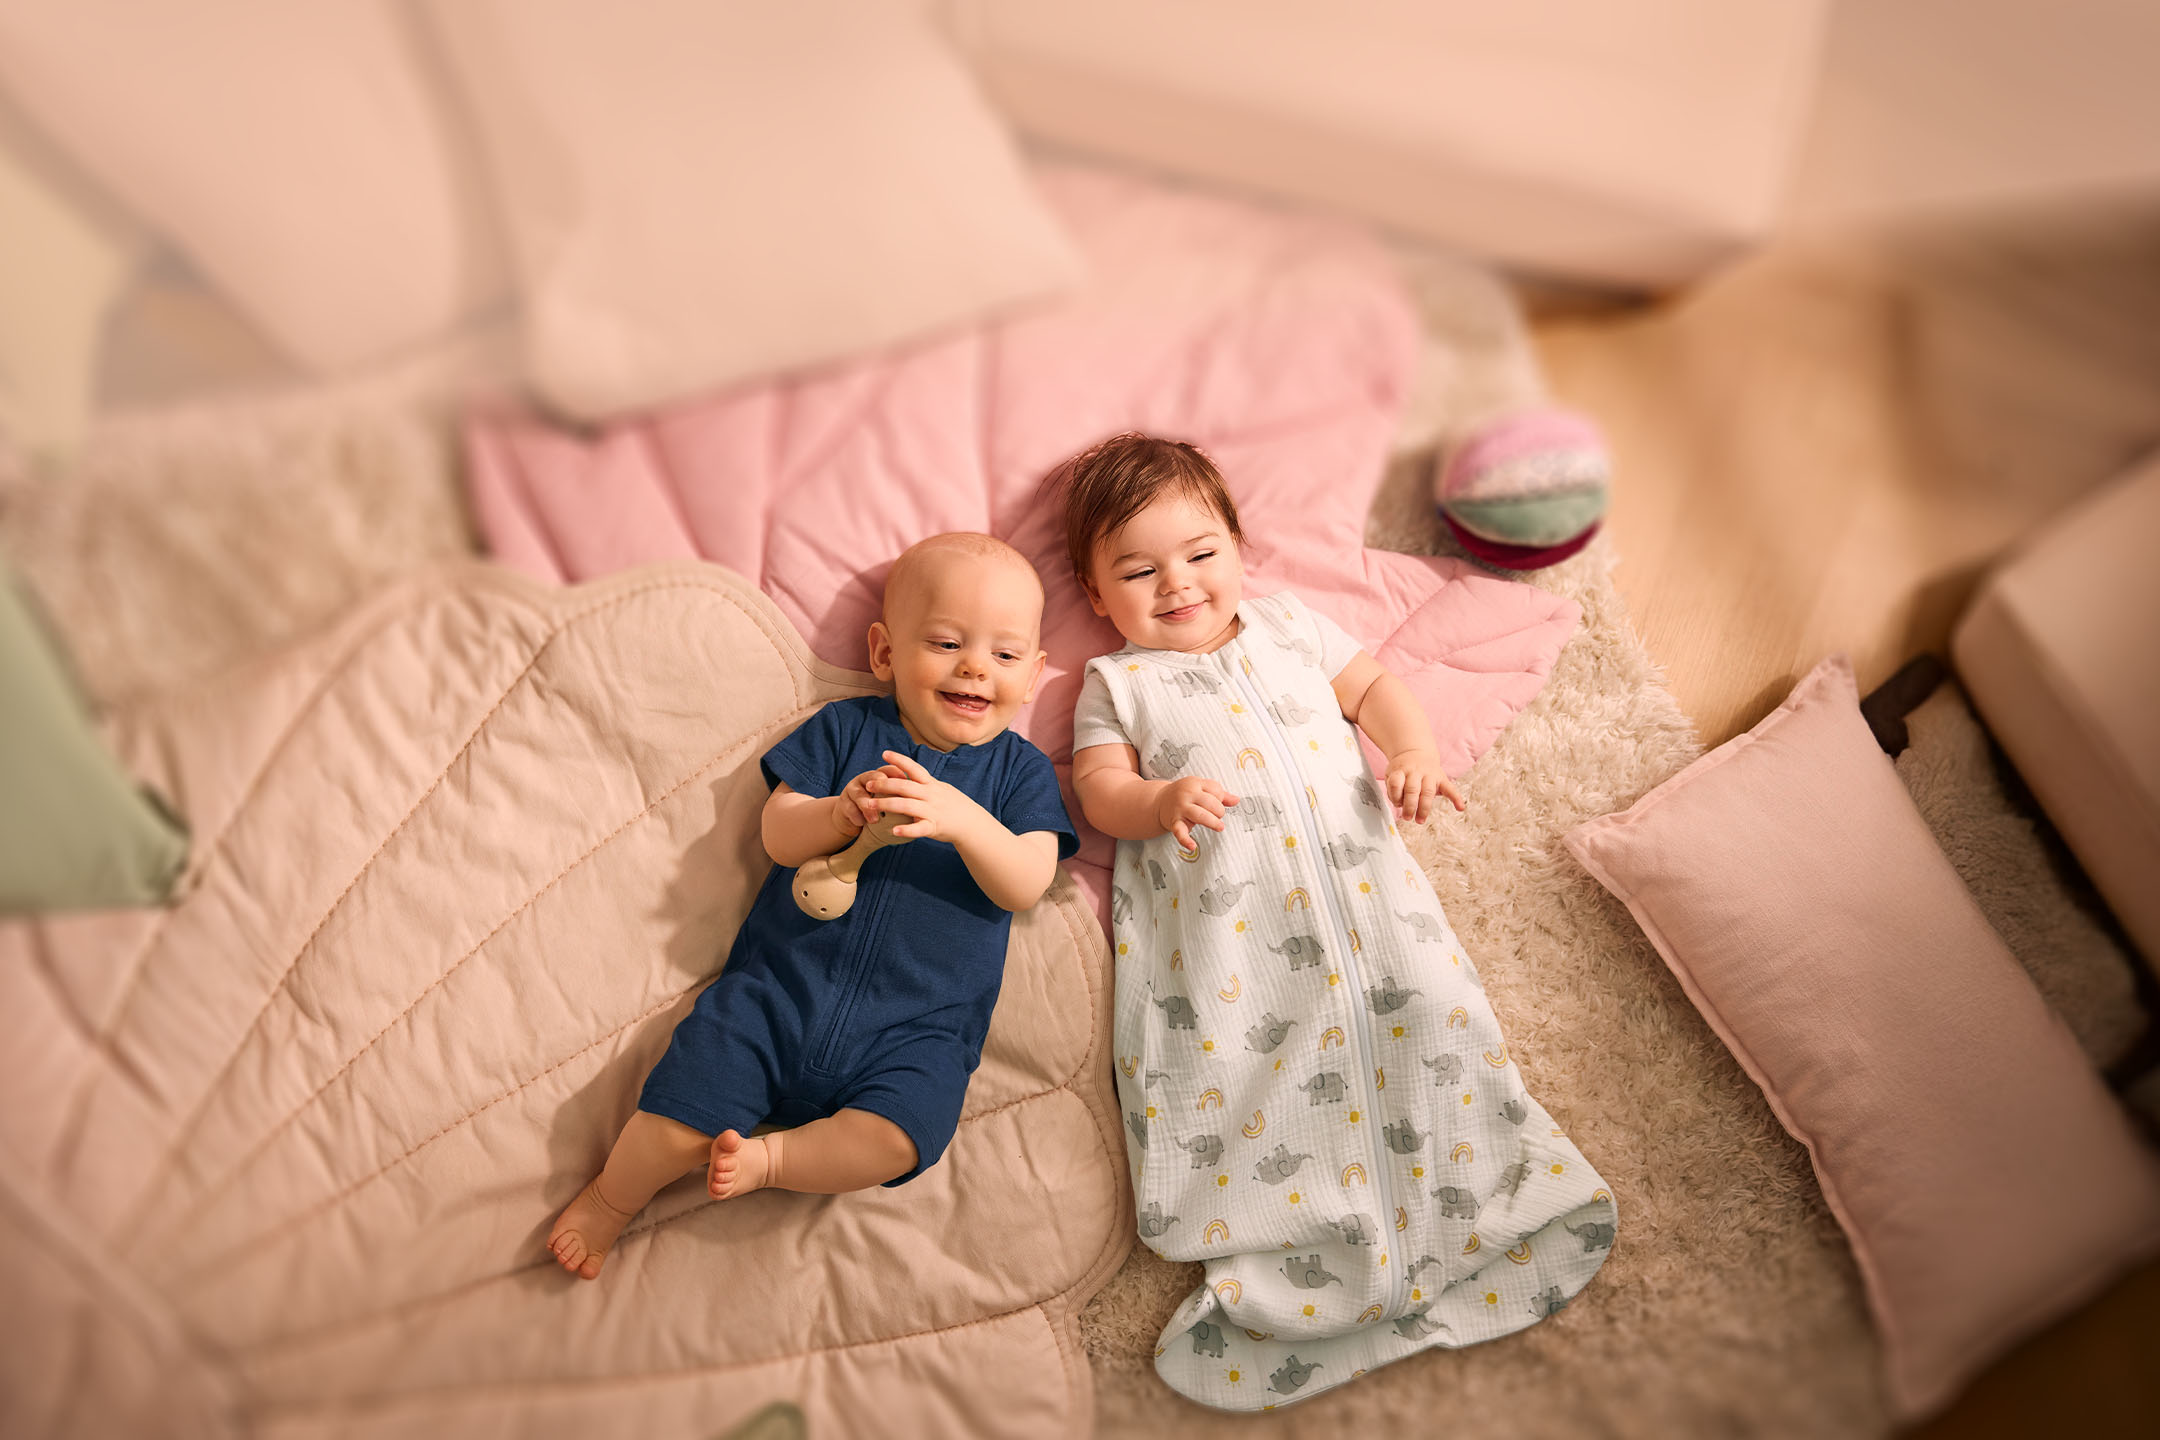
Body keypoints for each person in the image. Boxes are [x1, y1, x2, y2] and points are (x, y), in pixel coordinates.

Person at [1061, 433, 1617, 1411]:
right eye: (1138, 570)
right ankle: (1298, 1263)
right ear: (1098, 596)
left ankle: (1466, 1202)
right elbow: (1100, 790)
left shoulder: (1288, 627)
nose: (1179, 584)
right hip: (1235, 945)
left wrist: (1410, 752)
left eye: (1200, 553)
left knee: (1436, 1022)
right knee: (1258, 1074)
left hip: (1374, 911)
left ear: (1239, 549)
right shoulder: (1119, 686)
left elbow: (1373, 690)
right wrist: (1154, 804)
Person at [547, 533, 1079, 1281]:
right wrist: (836, 814)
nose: (974, 668)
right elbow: (776, 832)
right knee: (677, 1109)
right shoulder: (847, 732)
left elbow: (1025, 881)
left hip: (916, 1031)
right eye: (947, 642)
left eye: (1004, 655)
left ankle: (774, 1160)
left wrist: (965, 821)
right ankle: (611, 1198)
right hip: (777, 997)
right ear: (886, 653)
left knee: (902, 1137)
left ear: (1034, 677)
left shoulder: (1020, 775)